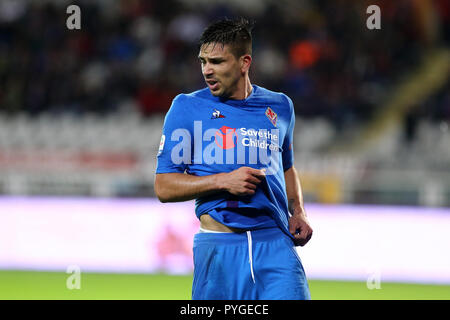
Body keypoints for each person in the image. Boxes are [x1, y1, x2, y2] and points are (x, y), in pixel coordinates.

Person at [154, 17, 313, 300]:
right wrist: (223, 181)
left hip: (275, 244)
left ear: (244, 62)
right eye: (203, 61)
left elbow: (287, 167)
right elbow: (164, 186)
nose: (207, 70)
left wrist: (298, 211)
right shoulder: (187, 108)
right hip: (218, 248)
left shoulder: (280, 106)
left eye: (217, 62)